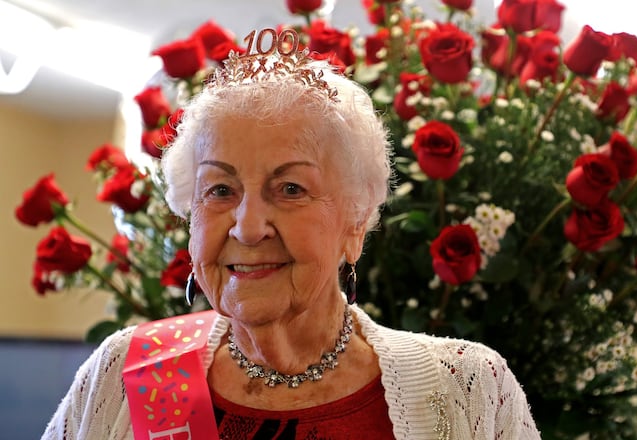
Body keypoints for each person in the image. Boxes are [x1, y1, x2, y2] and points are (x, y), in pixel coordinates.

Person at [43, 28, 541, 440]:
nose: (248, 225)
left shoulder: (465, 389)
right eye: (219, 189)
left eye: (290, 188)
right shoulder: (128, 373)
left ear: (355, 220)